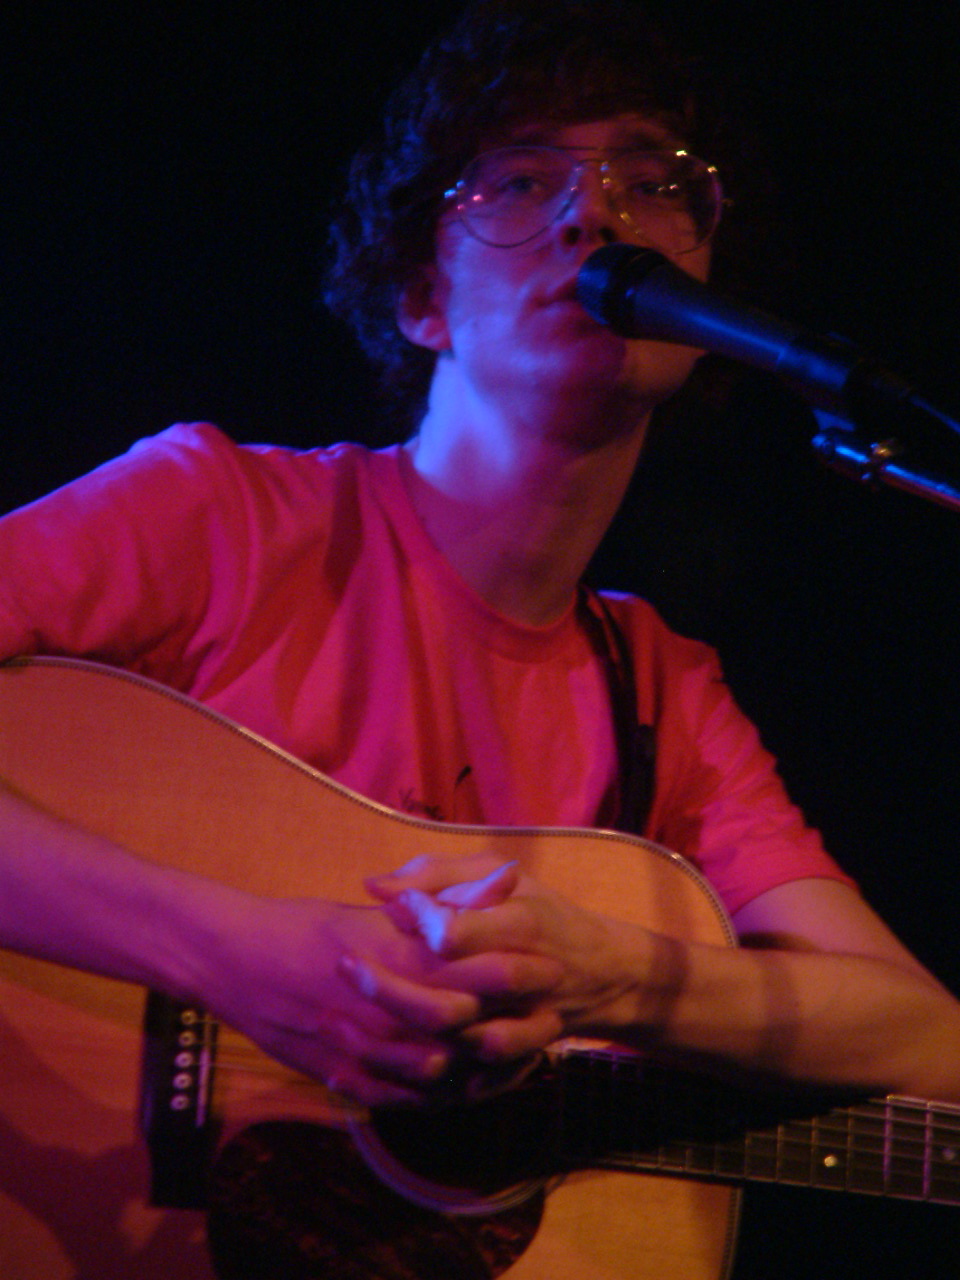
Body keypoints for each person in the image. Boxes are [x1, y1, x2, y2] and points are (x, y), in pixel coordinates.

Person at [2, 0, 960, 1248]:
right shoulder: (219, 514)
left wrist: (609, 973)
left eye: (653, 182)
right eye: (519, 180)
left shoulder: (664, 690)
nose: (597, 218)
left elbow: (927, 1040)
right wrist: (235, 956)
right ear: (422, 299)